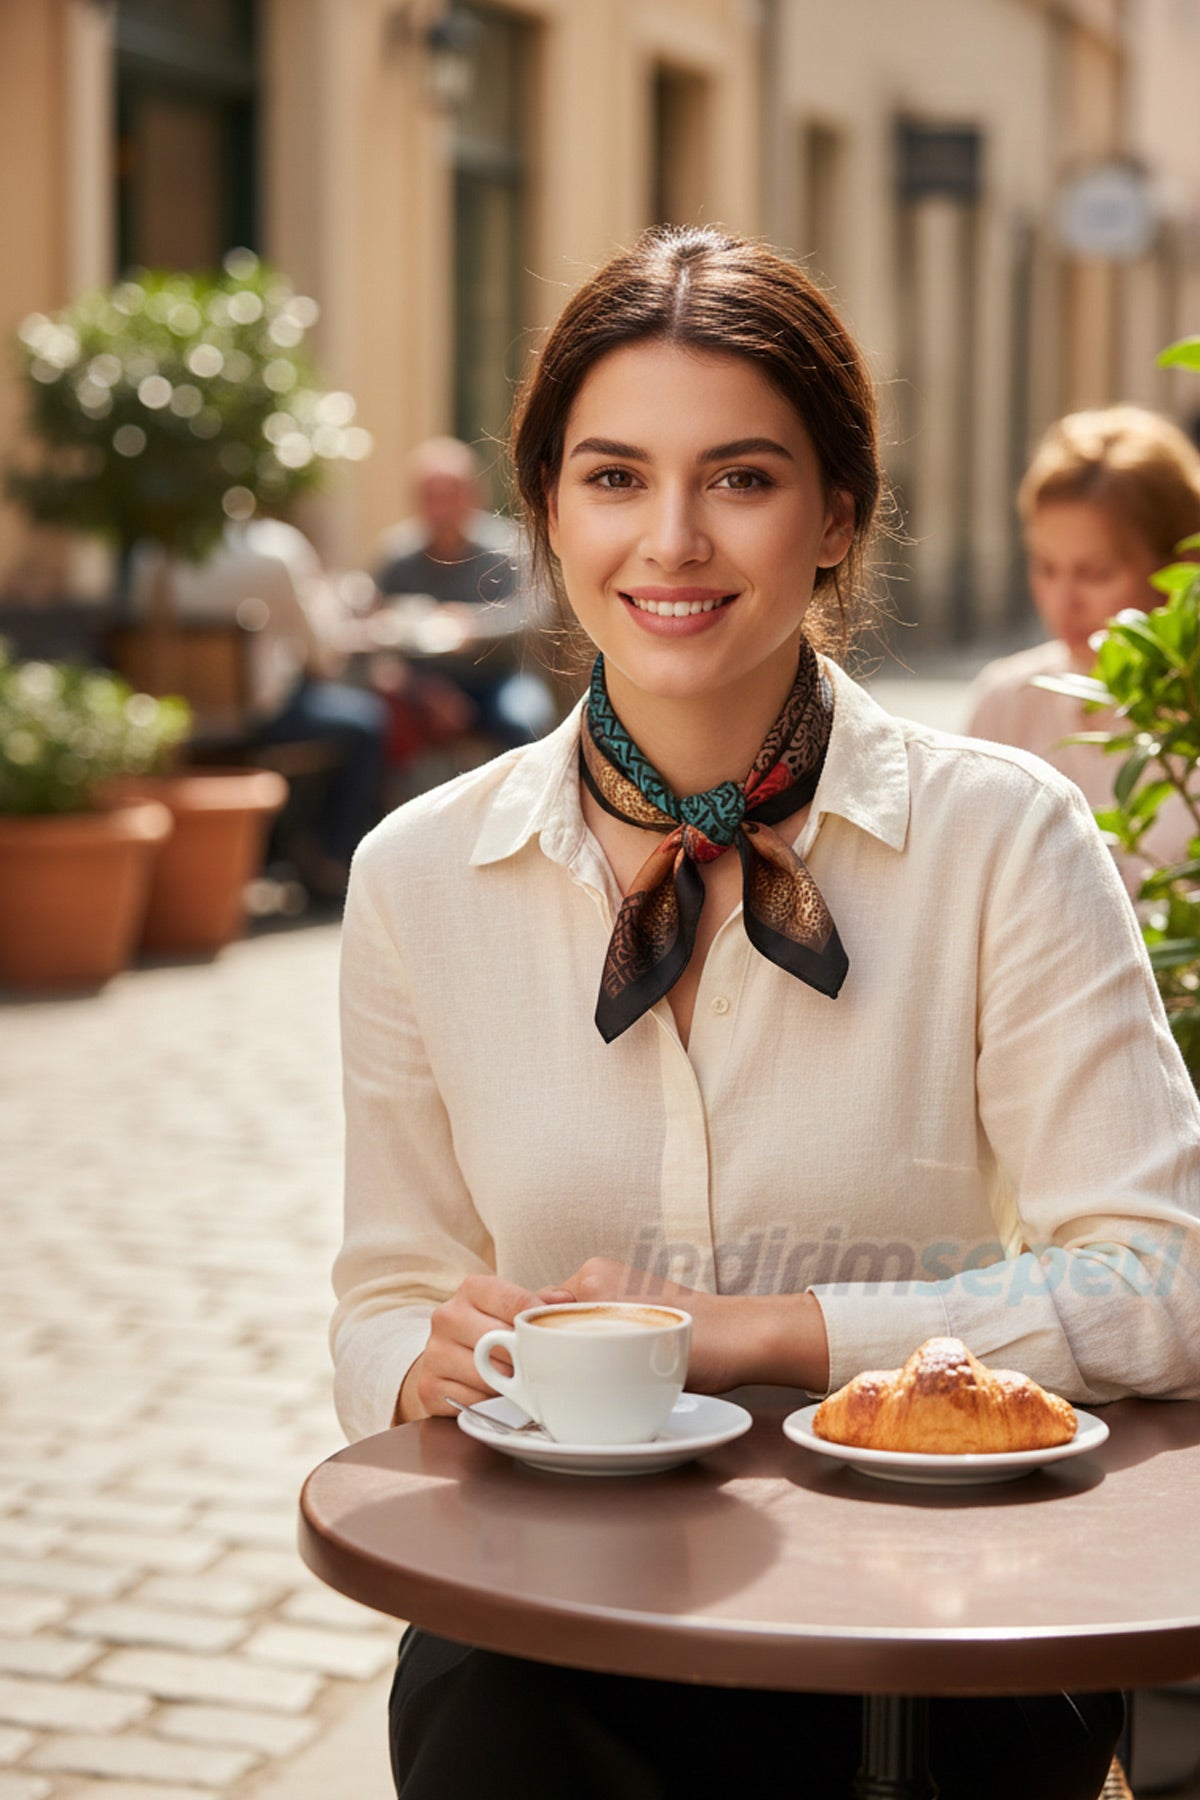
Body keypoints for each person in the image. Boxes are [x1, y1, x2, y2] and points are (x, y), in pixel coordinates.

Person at [332, 229, 1200, 1799]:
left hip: (943, 1615)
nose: (671, 540)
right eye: (613, 477)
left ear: (838, 515)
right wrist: (420, 1361)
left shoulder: (1005, 838)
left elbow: (1168, 1276)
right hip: (549, 1624)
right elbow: (387, 1291)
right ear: (548, 511)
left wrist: (767, 1334)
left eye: (739, 478)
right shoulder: (416, 876)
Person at [964, 405, 1200, 891]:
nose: (1062, 601)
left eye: (1095, 574)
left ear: (1183, 565)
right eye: (1045, 568)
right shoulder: (1007, 704)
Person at [134, 517, 387, 897]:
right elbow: (323, 656)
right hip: (262, 719)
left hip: (180, 717)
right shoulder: (274, 551)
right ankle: (331, 855)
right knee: (367, 722)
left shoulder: (150, 555)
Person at [371, 437, 556, 750]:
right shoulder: (397, 557)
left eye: (450, 495)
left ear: (474, 496)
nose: (441, 509)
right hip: (420, 685)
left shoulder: (508, 550)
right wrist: (424, 691)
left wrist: (472, 627)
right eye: (430, 497)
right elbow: (373, 631)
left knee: (525, 719)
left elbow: (536, 617)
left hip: (499, 678)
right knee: (366, 722)